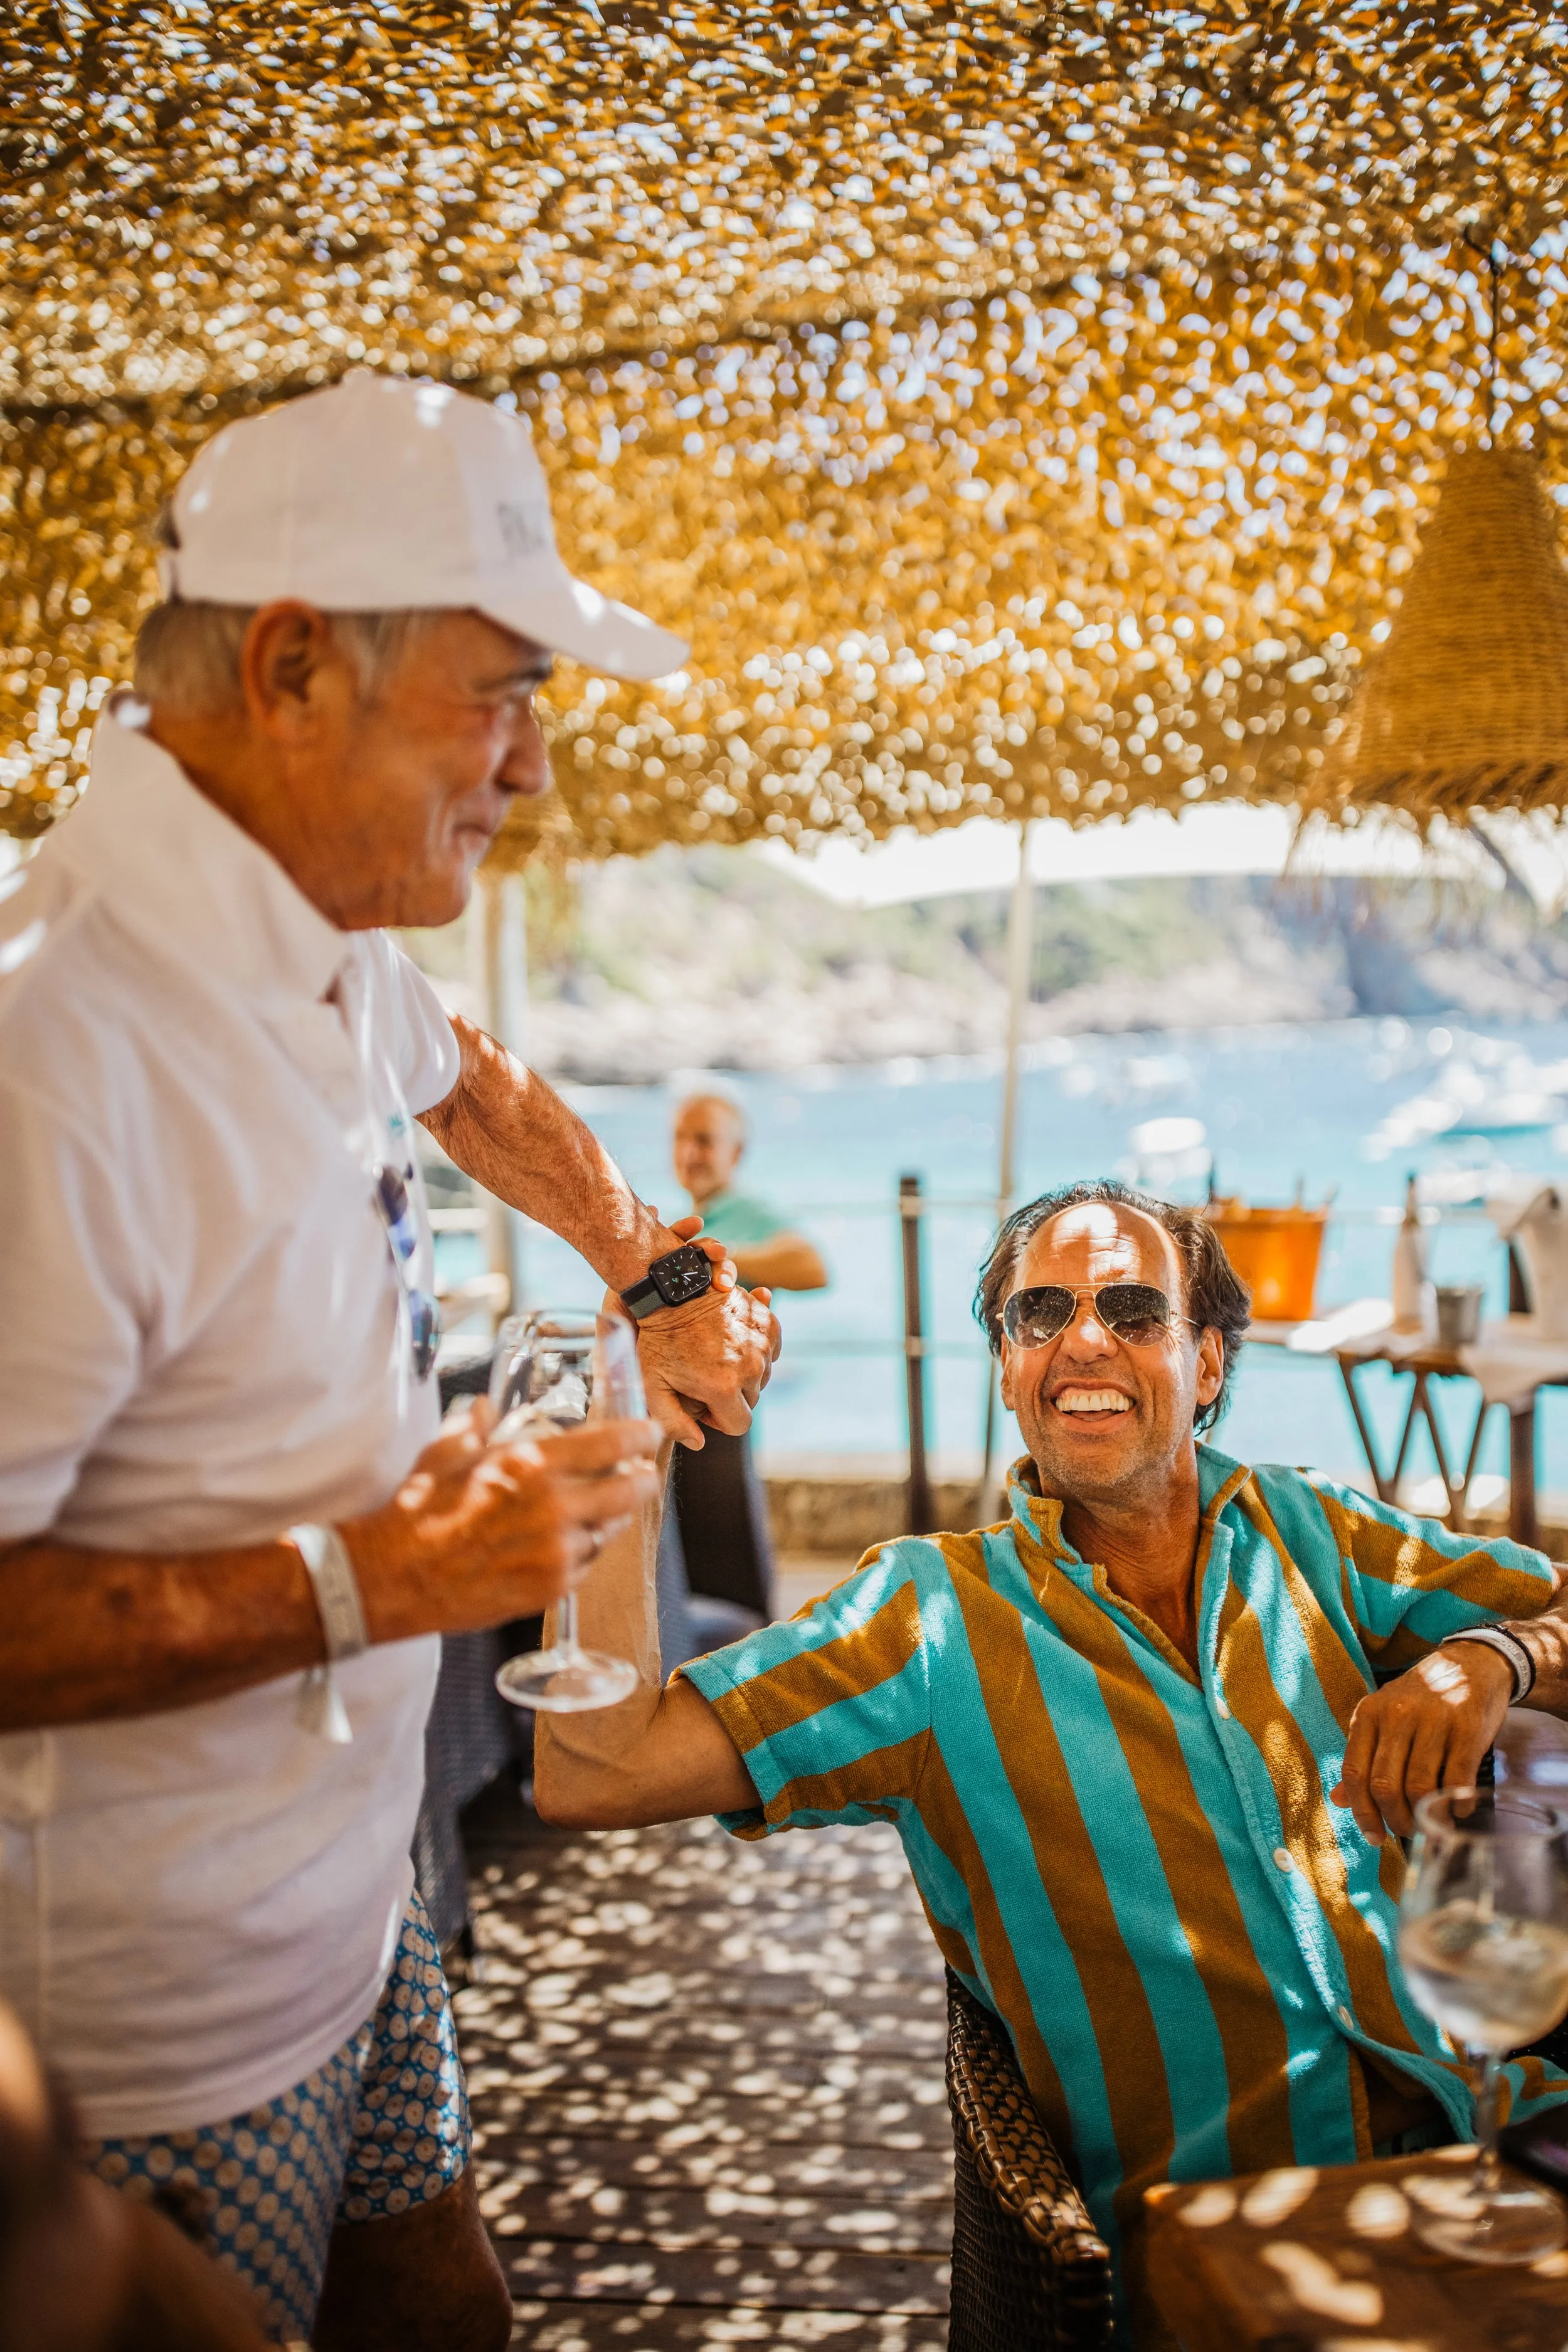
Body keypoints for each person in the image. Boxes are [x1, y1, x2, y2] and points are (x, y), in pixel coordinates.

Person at [0, 371, 778, 2351]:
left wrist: (654, 1257)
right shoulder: (54, 1049)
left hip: (360, 1919)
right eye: (495, 691)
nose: (528, 767)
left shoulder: (313, 930)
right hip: (158, 2035)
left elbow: (482, 1088)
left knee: (449, 2309)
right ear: (286, 669)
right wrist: (376, 1578)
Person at [533, 1178, 1568, 2346]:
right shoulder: (926, 1621)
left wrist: (1496, 1657)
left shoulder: (1316, 1530)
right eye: (1040, 1315)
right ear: (1012, 1372)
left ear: (1210, 1363)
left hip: (1504, 2157)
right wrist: (622, 1418)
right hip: (1232, 2255)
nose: (1083, 1337)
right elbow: (597, 1768)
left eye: (1133, 1308)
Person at [667, 1092, 827, 1626]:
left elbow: (811, 1266)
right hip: (695, 1401)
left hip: (719, 1404)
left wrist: (712, 1260)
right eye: (682, 1139)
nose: (691, 1152)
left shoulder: (741, 1214)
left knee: (727, 1539)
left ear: (735, 1154)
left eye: (705, 1140)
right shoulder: (696, 1217)